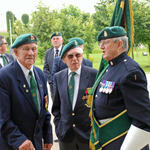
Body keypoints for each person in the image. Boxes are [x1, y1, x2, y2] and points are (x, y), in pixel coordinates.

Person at [89, 26, 150, 150]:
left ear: (120, 44)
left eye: (105, 42)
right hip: (107, 141)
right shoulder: (110, 67)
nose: (101, 46)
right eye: (100, 43)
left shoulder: (130, 72)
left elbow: (143, 120)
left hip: (123, 142)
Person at [0, 33, 53, 150]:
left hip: (36, 144)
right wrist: (19, 140)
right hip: (14, 145)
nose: (31, 53)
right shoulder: (4, 77)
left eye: (34, 49)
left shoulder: (40, 75)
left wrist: (48, 135)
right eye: (26, 49)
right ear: (15, 52)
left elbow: (44, 109)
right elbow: (2, 118)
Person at [52, 40, 98, 150]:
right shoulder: (58, 77)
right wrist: (59, 129)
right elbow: (56, 107)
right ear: (64, 59)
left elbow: (98, 105)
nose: (75, 59)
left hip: (87, 136)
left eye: (78, 55)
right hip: (66, 137)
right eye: (70, 56)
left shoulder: (93, 74)